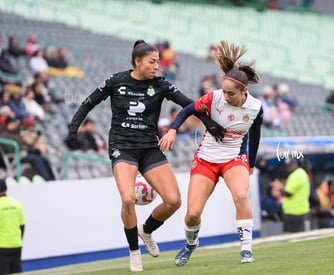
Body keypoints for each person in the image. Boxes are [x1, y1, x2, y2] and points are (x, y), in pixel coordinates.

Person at [65, 39, 225, 272]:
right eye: (152, 62)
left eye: (158, 62)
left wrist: (209, 123)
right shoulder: (116, 81)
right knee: (128, 198)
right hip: (123, 146)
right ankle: (134, 252)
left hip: (150, 147)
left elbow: (189, 104)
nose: (156, 66)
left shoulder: (161, 84)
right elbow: (88, 103)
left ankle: (146, 230)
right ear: (137, 61)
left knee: (173, 201)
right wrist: (73, 128)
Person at [159, 40, 263, 265]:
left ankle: (246, 249)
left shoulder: (255, 107)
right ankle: (190, 244)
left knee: (241, 196)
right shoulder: (214, 97)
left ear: (243, 91)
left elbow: (255, 135)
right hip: (206, 159)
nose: (225, 97)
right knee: (193, 214)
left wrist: (251, 163)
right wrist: (173, 130)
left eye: (231, 94)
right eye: (224, 92)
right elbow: (187, 110)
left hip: (234, 158)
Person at [276, 158, 311, 232]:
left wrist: (279, 188)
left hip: (295, 212)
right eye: (287, 166)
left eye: (290, 165)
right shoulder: (300, 173)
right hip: (298, 210)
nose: (288, 167)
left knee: (294, 236)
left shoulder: (296, 175)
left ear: (295, 164)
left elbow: (288, 193)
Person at [0, 179, 25, 274]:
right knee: (16, 271)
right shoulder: (16, 204)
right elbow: (22, 226)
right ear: (6, 189)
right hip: (16, 244)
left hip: (2, 246)